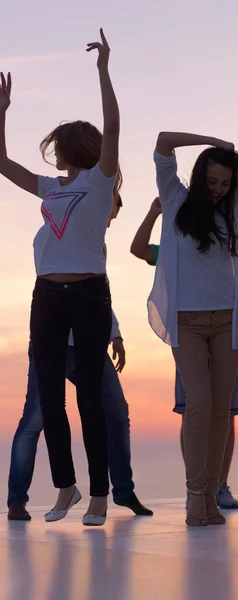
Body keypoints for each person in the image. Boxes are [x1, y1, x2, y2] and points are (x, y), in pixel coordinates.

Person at [0, 30, 120, 526]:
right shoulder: (50, 186)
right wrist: (2, 111)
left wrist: (103, 70)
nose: (52, 150)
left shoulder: (101, 179)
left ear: (72, 147)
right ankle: (66, 488)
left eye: (57, 144)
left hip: (89, 293)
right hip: (46, 294)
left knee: (89, 394)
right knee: (51, 394)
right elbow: (2, 163)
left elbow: (114, 125)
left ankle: (98, 496)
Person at [149, 79, 238, 526]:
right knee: (198, 405)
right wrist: (212, 140)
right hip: (188, 321)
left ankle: (212, 495)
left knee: (222, 409)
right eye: (213, 181)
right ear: (200, 176)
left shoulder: (231, 206)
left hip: (228, 322)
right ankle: (195, 495)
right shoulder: (175, 198)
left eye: (225, 182)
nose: (219, 189)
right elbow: (163, 143)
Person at [7, 197, 153, 521]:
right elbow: (63, 291)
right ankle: (17, 500)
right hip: (55, 345)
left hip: (89, 342)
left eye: (113, 213)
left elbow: (95, 290)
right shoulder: (49, 236)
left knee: (116, 412)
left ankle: (123, 492)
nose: (110, 218)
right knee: (34, 422)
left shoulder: (92, 240)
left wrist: (114, 332)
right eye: (110, 211)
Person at [131, 197, 238, 510]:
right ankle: (194, 485)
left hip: (227, 333)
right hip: (190, 335)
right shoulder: (179, 250)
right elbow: (139, 249)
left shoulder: (229, 247)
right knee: (194, 409)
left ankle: (218, 484)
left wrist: (232, 213)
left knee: (224, 411)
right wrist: (154, 213)